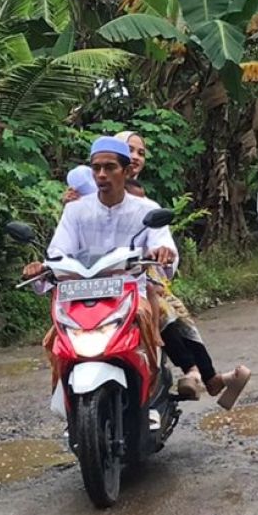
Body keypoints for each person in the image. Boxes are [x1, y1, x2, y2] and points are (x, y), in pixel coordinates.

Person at [67, 129, 250, 408]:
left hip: (137, 280)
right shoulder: (81, 203)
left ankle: (196, 373)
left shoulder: (143, 204)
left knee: (164, 309)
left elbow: (160, 241)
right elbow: (64, 245)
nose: (136, 156)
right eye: (130, 150)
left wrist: (161, 254)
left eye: (140, 152)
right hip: (91, 283)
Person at [25, 136, 176, 388]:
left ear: (126, 171)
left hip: (129, 294)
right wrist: (42, 268)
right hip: (80, 296)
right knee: (55, 339)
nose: (102, 175)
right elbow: (58, 251)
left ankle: (149, 388)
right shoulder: (75, 210)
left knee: (147, 325)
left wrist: (163, 253)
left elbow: (164, 247)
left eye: (110, 168)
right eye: (96, 168)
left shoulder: (146, 210)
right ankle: (64, 395)